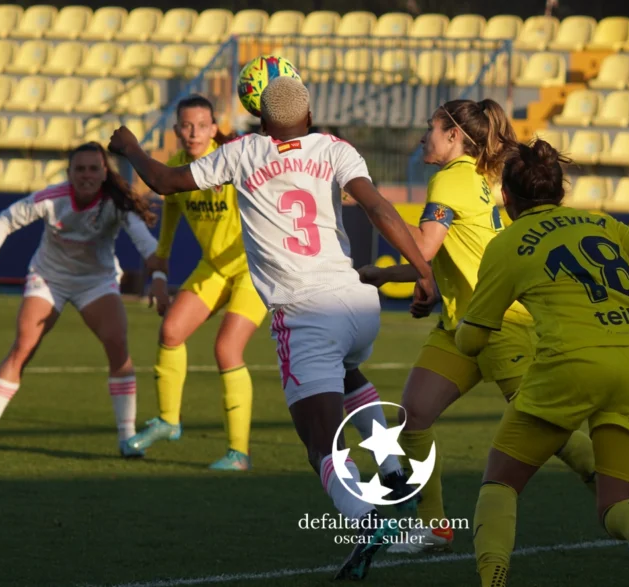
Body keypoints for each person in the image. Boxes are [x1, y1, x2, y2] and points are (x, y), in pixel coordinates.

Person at [108, 76, 439, 581]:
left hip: (304, 313)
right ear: (308, 117)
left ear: (260, 119)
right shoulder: (334, 147)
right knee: (349, 372)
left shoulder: (243, 152)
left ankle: (365, 518)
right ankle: (393, 472)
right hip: (357, 303)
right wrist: (421, 269)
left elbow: (165, 182)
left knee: (319, 444)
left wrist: (130, 146)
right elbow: (376, 207)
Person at [454, 140, 629, 587]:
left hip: (573, 361)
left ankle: (492, 578)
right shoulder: (600, 223)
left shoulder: (507, 242)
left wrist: (457, 328)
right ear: (559, 191)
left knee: (501, 482)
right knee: (615, 507)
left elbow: (474, 338)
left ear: (506, 197)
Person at [357, 100, 596, 553]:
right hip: (462, 326)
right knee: (414, 418)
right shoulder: (486, 176)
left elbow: (424, 247)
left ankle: (617, 493)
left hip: (499, 324)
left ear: (454, 137)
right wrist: (392, 276)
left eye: (430, 129)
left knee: (548, 428)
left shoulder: (451, 178)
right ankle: (434, 527)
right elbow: (447, 250)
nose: (422, 138)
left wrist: (374, 208)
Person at [0, 142, 162, 458]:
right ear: (69, 173)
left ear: (103, 173)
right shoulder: (51, 198)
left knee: (118, 347)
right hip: (49, 279)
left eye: (93, 169)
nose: (86, 175)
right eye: (79, 169)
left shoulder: (117, 204)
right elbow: (5, 219)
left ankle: (127, 437)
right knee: (23, 346)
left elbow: (148, 246)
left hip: (96, 282)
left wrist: (160, 280)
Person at [124, 95, 267, 471]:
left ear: (214, 128)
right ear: (175, 131)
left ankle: (239, 454)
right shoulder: (174, 170)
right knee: (170, 331)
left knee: (226, 349)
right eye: (186, 126)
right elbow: (167, 230)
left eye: (201, 125)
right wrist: (158, 275)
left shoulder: (235, 158)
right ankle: (169, 421)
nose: (193, 133)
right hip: (213, 267)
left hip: (252, 269)